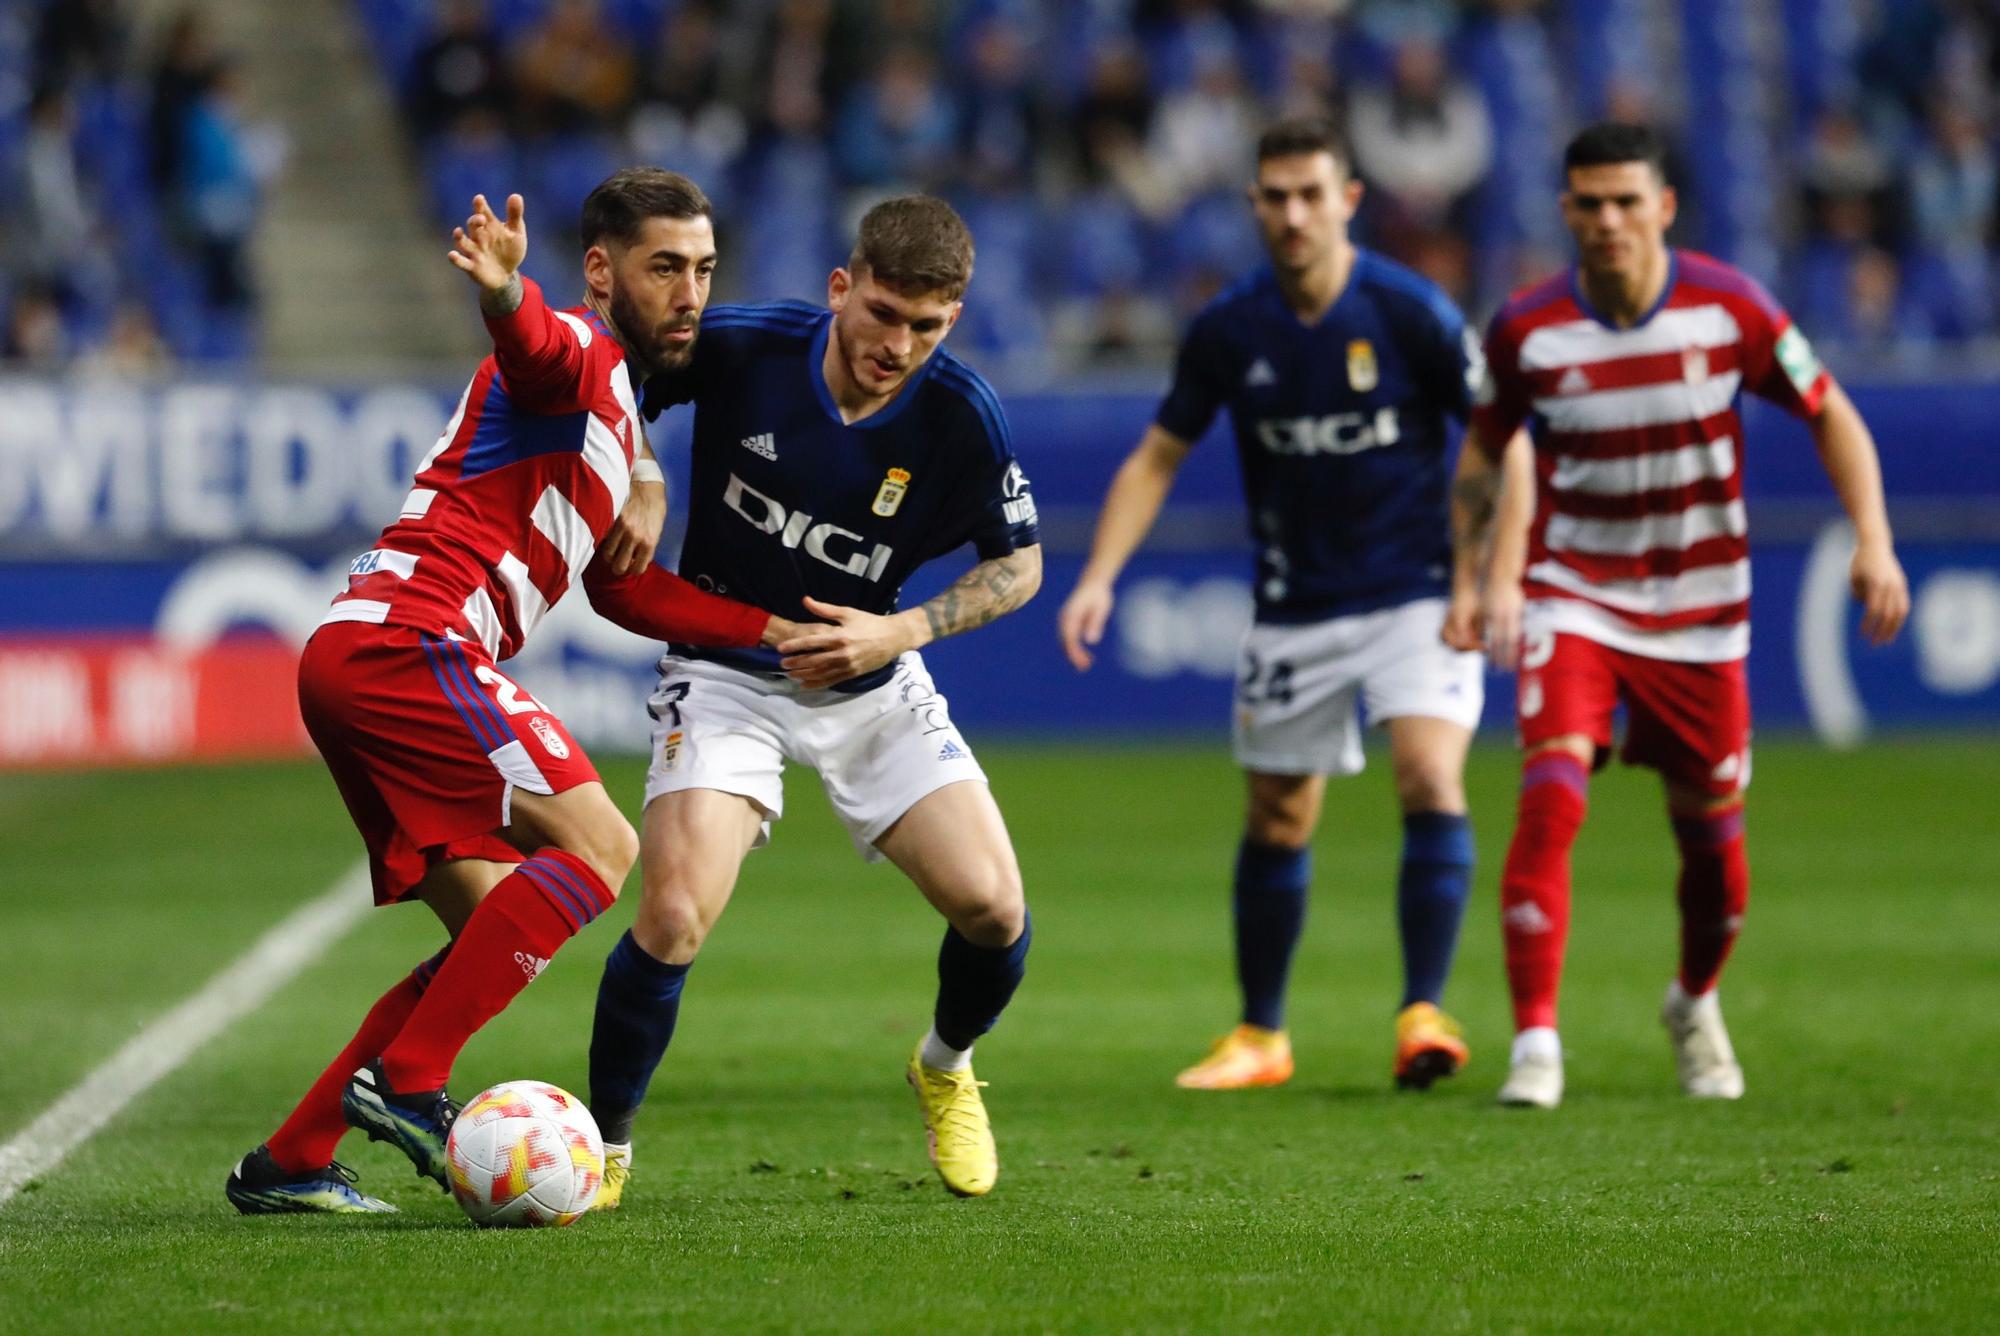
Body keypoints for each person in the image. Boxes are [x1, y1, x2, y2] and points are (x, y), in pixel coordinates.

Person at [226, 169, 794, 1214]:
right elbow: (533, 345)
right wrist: (502, 291)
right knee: (603, 846)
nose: (689, 292)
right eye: (664, 266)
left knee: (485, 927)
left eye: (703, 270)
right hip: (413, 644)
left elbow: (621, 590)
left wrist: (774, 632)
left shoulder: (616, 411)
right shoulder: (575, 355)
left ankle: (291, 1159)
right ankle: (404, 1080)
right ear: (600, 269)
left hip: (364, 652)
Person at [1444, 122, 1911, 1109]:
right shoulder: (1526, 330)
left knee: (1712, 851)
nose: (1607, 220)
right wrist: (1470, 578)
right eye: (1588, 203)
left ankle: (1692, 1000)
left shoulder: (1727, 308)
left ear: (1661, 207)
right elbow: (1485, 455)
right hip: (1575, 595)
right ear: (1565, 211)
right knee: (1551, 794)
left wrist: (1869, 535)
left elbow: (1828, 409)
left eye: (1626, 201)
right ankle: (1535, 1042)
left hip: (1701, 616)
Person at [585, 195, 1041, 1203]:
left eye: (925, 326)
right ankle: (603, 1145)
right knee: (670, 915)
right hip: (723, 671)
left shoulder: (960, 416)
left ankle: (944, 1064)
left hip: (868, 681)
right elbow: (605, 374)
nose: (897, 344)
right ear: (841, 287)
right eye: (881, 312)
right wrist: (645, 468)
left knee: (993, 908)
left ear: (952, 321)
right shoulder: (744, 346)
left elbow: (1019, 567)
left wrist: (902, 628)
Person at [1058, 118, 1503, 1094]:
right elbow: (1157, 453)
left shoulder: (1409, 311)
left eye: (1312, 193)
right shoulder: (1230, 328)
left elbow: (1492, 442)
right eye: (1275, 195)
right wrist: (1096, 575)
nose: (1293, 212)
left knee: (1430, 775)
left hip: (1414, 590)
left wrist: (1482, 577)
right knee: (1277, 814)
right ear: (1255, 205)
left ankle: (1421, 1009)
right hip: (1294, 604)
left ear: (1347, 199)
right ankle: (1261, 1034)